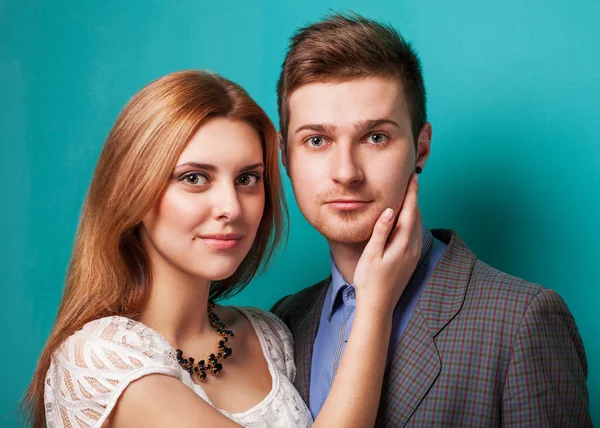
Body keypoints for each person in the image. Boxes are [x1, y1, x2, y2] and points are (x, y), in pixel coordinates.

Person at [22, 70, 423, 427]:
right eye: (195, 178)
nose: (231, 208)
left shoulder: (268, 334)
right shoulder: (99, 358)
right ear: (134, 190)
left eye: (248, 179)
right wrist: (373, 305)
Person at [271, 12, 592, 427]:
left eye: (376, 137)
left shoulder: (521, 321)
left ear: (421, 148)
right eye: (317, 140)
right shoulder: (284, 321)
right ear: (285, 156)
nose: (346, 172)